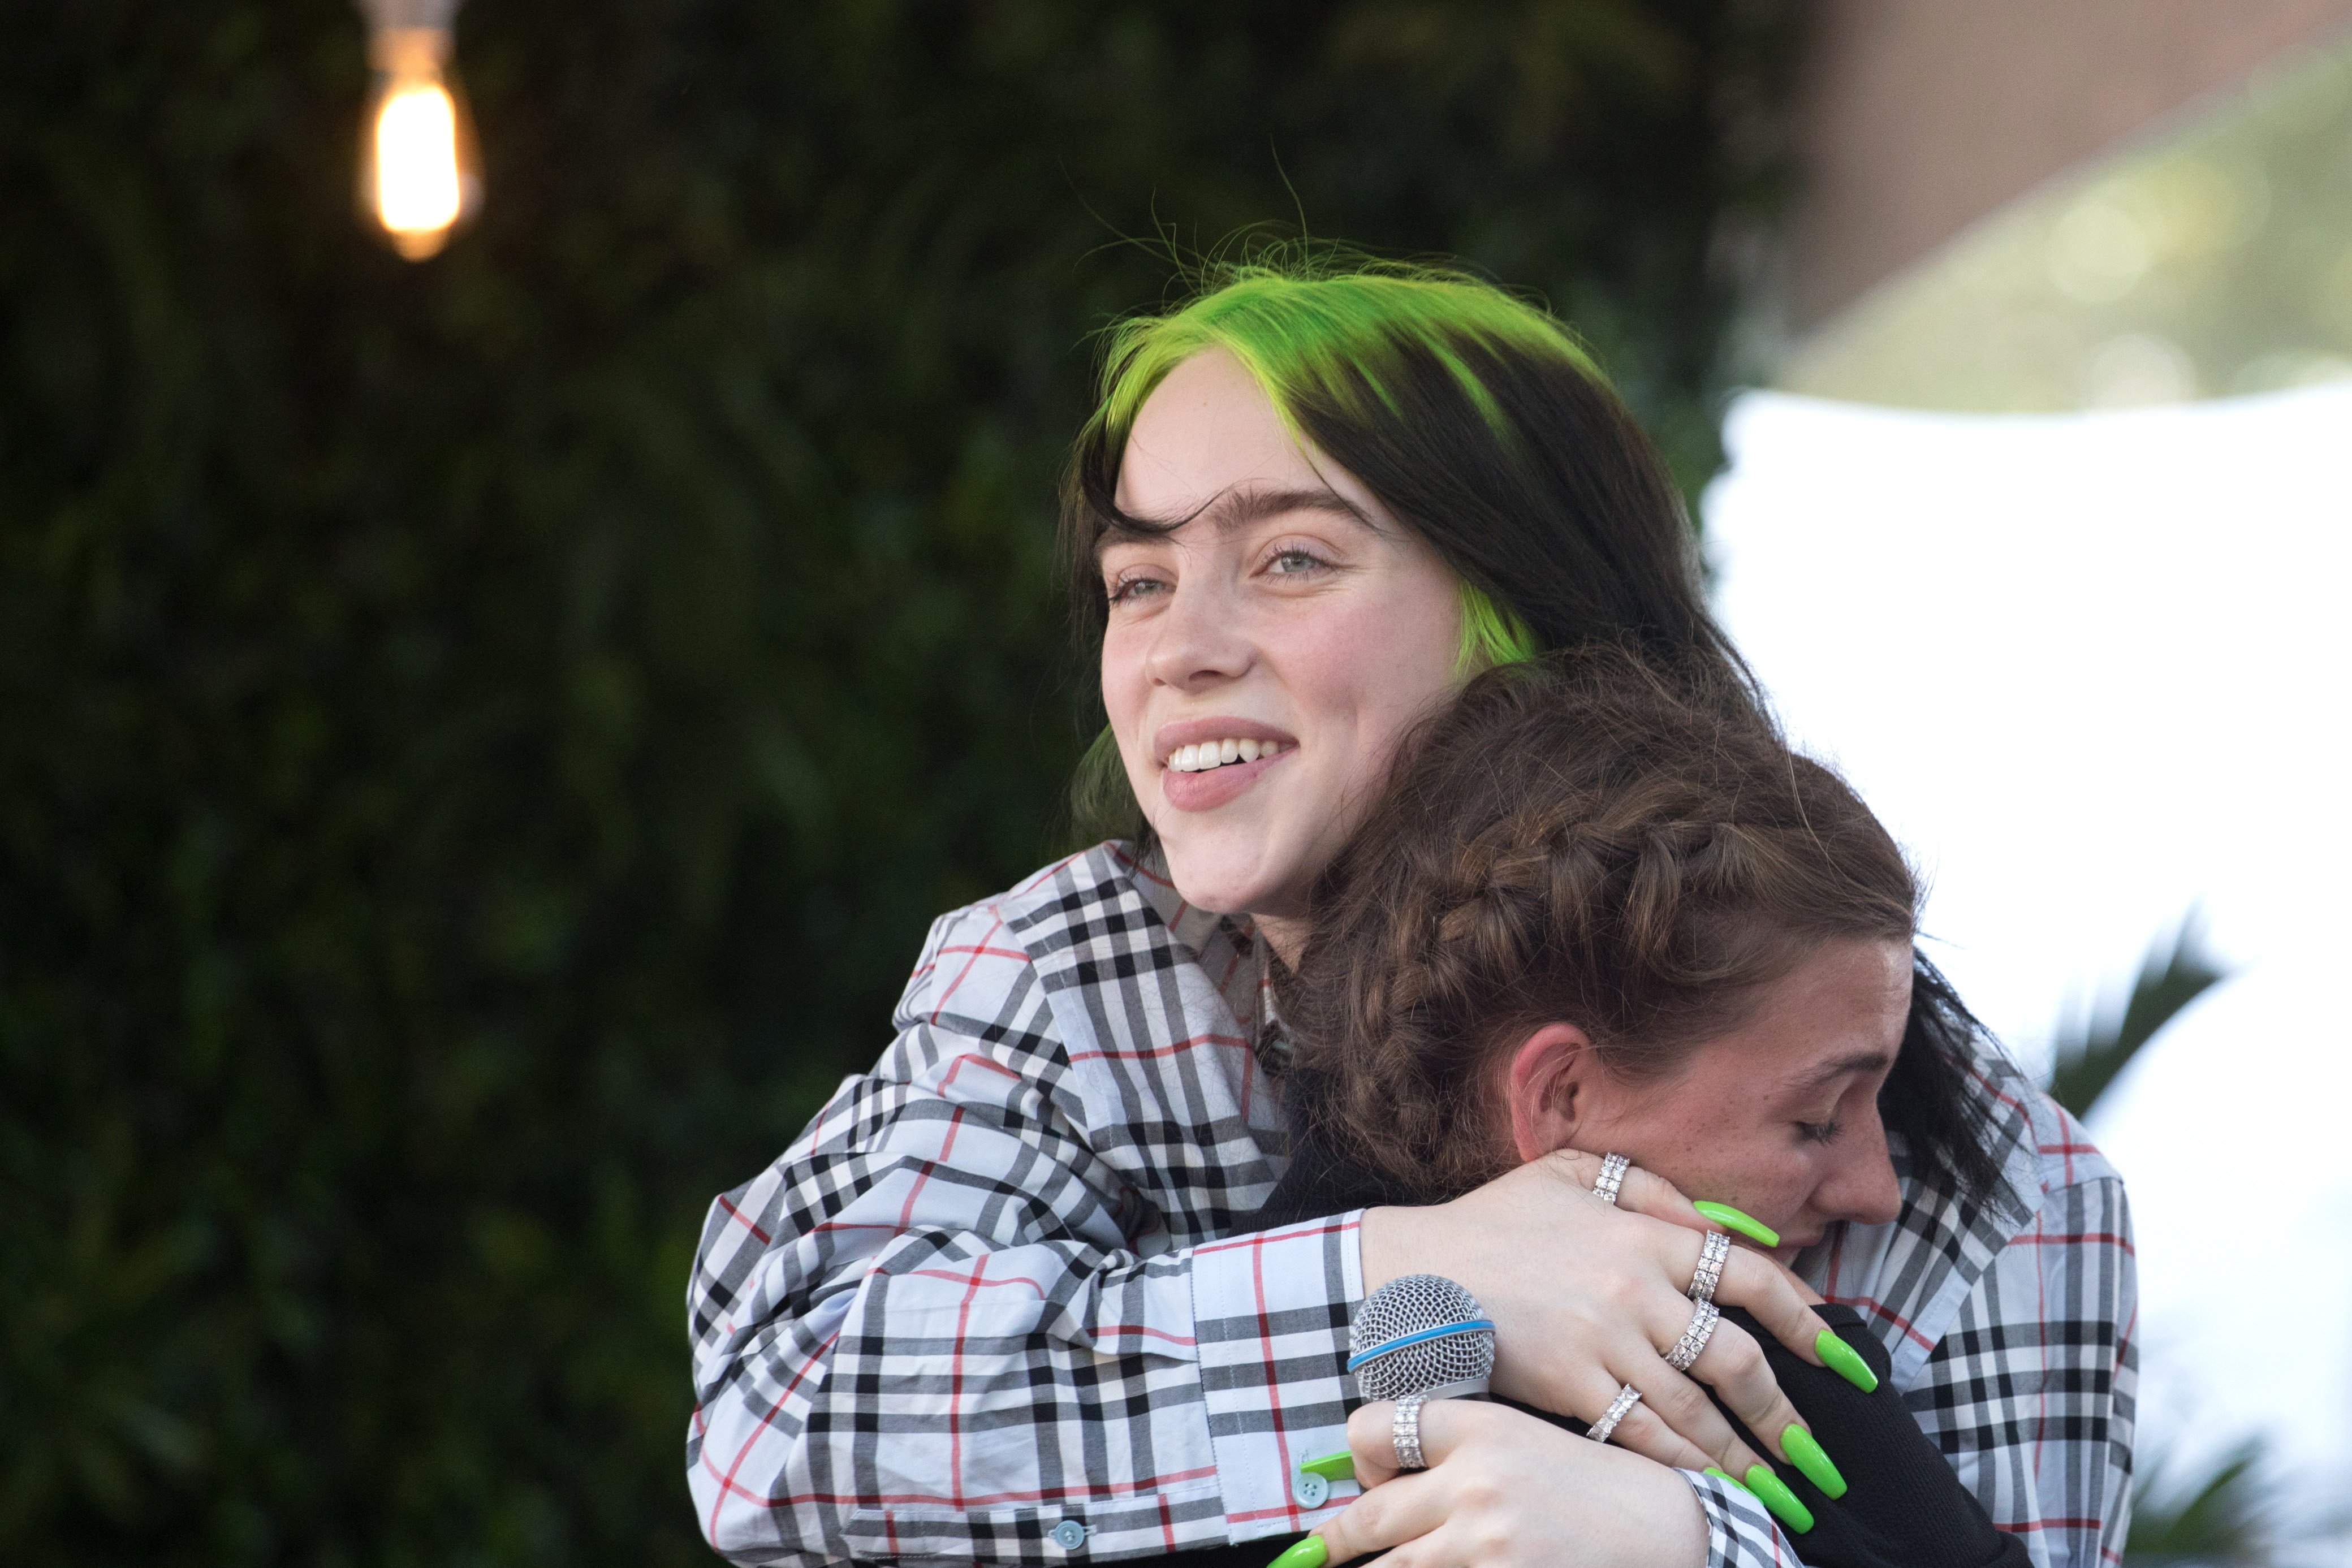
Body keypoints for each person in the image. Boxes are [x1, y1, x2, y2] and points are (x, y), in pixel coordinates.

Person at [685, 258, 2135, 1568]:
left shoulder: (1958, 1161)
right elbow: (780, 1419)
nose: (1177, 650)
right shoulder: (1076, 974)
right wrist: (1425, 1280)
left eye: (1290, 557)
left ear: (1534, 599)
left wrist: (1692, 1551)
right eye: (1139, 579)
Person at [1249, 647, 2055, 1568]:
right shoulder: (1788, 1390)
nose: (1878, 1190)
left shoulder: (1191, 1384)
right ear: (1562, 1096)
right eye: (1818, 1116)